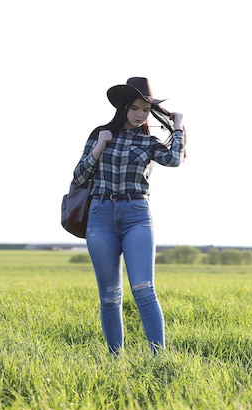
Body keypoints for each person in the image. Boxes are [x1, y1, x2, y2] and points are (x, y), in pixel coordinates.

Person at [73, 77, 185, 355]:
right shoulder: (100, 135)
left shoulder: (149, 143)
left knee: (144, 288)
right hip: (100, 215)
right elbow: (79, 176)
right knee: (110, 296)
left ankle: (159, 358)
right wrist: (98, 149)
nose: (140, 114)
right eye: (135, 108)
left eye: (145, 110)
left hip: (137, 215)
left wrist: (179, 126)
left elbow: (173, 159)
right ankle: (115, 360)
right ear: (124, 107)